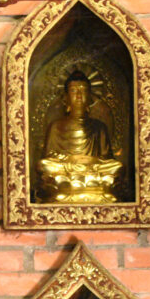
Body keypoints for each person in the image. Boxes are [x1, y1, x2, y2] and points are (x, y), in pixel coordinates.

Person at [38, 71, 122, 203]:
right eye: (73, 91)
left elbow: (107, 158)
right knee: (45, 165)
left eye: (83, 91)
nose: (78, 95)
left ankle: (71, 185)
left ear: (90, 97)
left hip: (93, 168)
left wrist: (91, 161)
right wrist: (72, 160)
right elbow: (49, 157)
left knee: (116, 165)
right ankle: (72, 184)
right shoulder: (56, 126)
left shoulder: (99, 127)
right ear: (66, 97)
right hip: (67, 169)